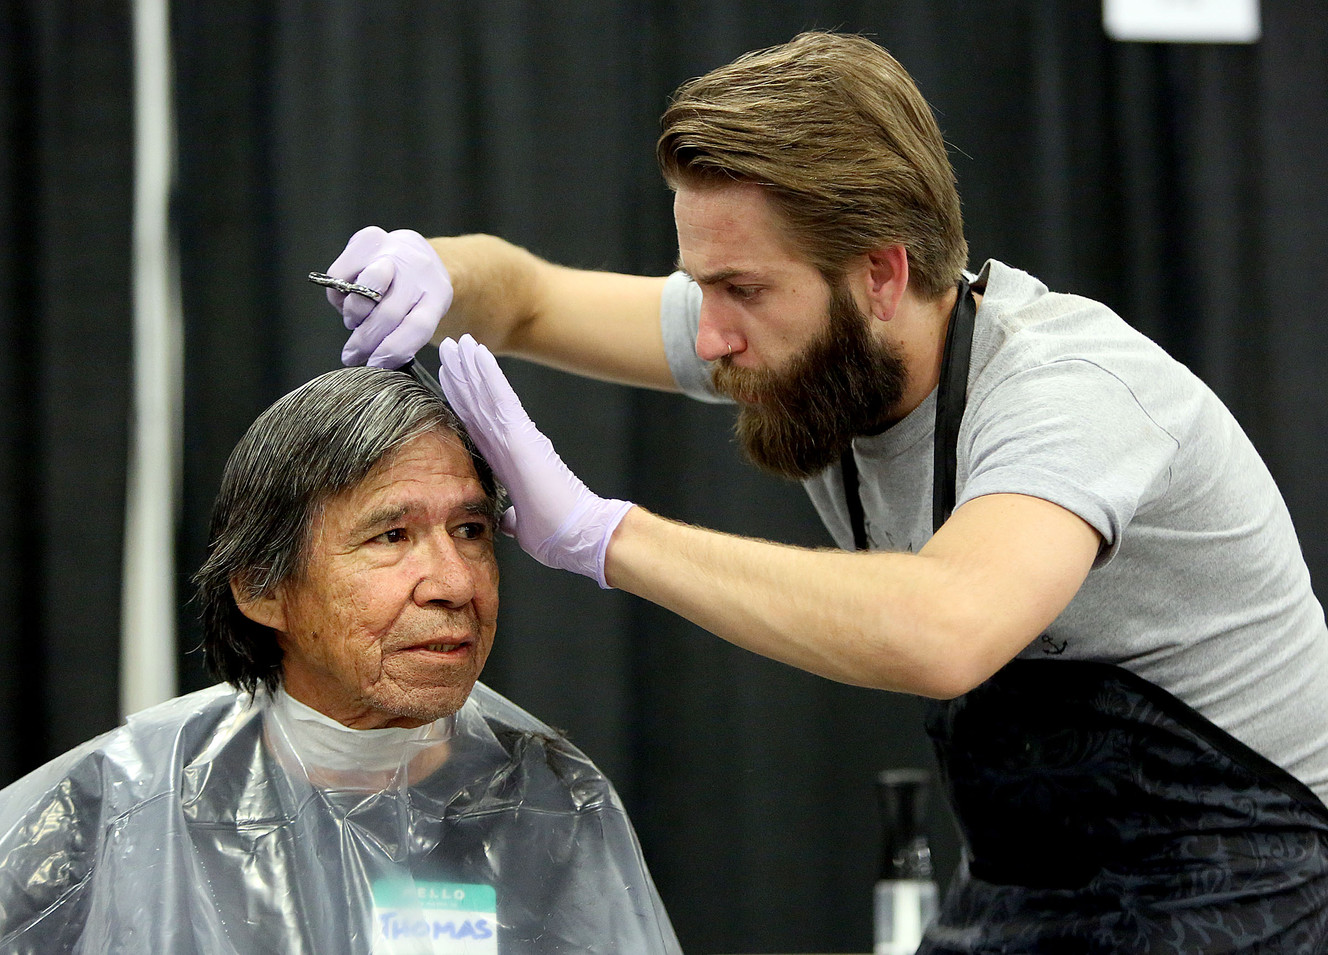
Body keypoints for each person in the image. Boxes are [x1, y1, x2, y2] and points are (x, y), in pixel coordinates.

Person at [321, 31, 1328, 953]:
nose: (707, 335)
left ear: (880, 275)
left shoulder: (1069, 395)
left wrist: (601, 534)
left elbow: (944, 629)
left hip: (1260, 895)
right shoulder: (804, 343)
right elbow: (529, 295)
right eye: (700, 284)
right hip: (1029, 893)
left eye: (742, 290)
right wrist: (435, 272)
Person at [0, 366, 680, 954]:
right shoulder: (119, 805)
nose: (455, 582)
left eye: (470, 530)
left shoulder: (555, 803)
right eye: (391, 535)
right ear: (263, 587)